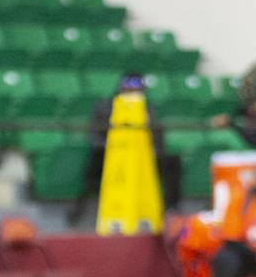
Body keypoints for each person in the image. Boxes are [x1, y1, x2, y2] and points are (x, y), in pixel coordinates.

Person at [76, 72, 181, 224]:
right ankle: (80, 214)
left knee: (172, 162)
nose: (133, 91)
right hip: (111, 155)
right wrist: (114, 148)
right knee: (94, 168)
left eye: (137, 87)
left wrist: (153, 151)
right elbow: (94, 135)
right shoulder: (106, 107)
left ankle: (170, 210)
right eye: (129, 85)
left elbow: (157, 135)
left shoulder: (147, 107)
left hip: (141, 157)